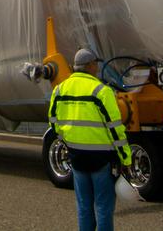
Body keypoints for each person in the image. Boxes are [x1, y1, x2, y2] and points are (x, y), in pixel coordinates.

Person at [49, 48, 131, 231]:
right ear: (91, 65)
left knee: (84, 206)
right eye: (96, 64)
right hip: (101, 159)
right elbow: (115, 129)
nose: (97, 68)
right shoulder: (101, 91)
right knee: (103, 207)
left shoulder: (60, 89)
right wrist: (126, 158)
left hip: (77, 157)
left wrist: (67, 141)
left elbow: (53, 123)